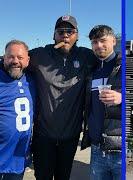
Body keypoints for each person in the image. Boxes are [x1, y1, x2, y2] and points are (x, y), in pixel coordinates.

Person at [28, 15, 96, 180]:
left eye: (70, 31)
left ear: (77, 35)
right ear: (54, 35)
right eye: (61, 31)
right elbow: (12, 61)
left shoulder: (87, 56)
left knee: (63, 176)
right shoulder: (39, 55)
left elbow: (110, 63)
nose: (65, 35)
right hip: (43, 135)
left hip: (71, 136)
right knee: (43, 176)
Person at [81, 25, 122, 180]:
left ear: (113, 40)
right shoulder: (92, 70)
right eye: (94, 42)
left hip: (120, 149)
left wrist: (122, 98)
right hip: (97, 148)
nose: (98, 45)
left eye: (103, 40)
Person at [0, 40, 35, 180]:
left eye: (20, 57)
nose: (15, 61)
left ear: (27, 60)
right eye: (10, 57)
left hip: (18, 160)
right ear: (4, 58)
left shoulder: (32, 81)